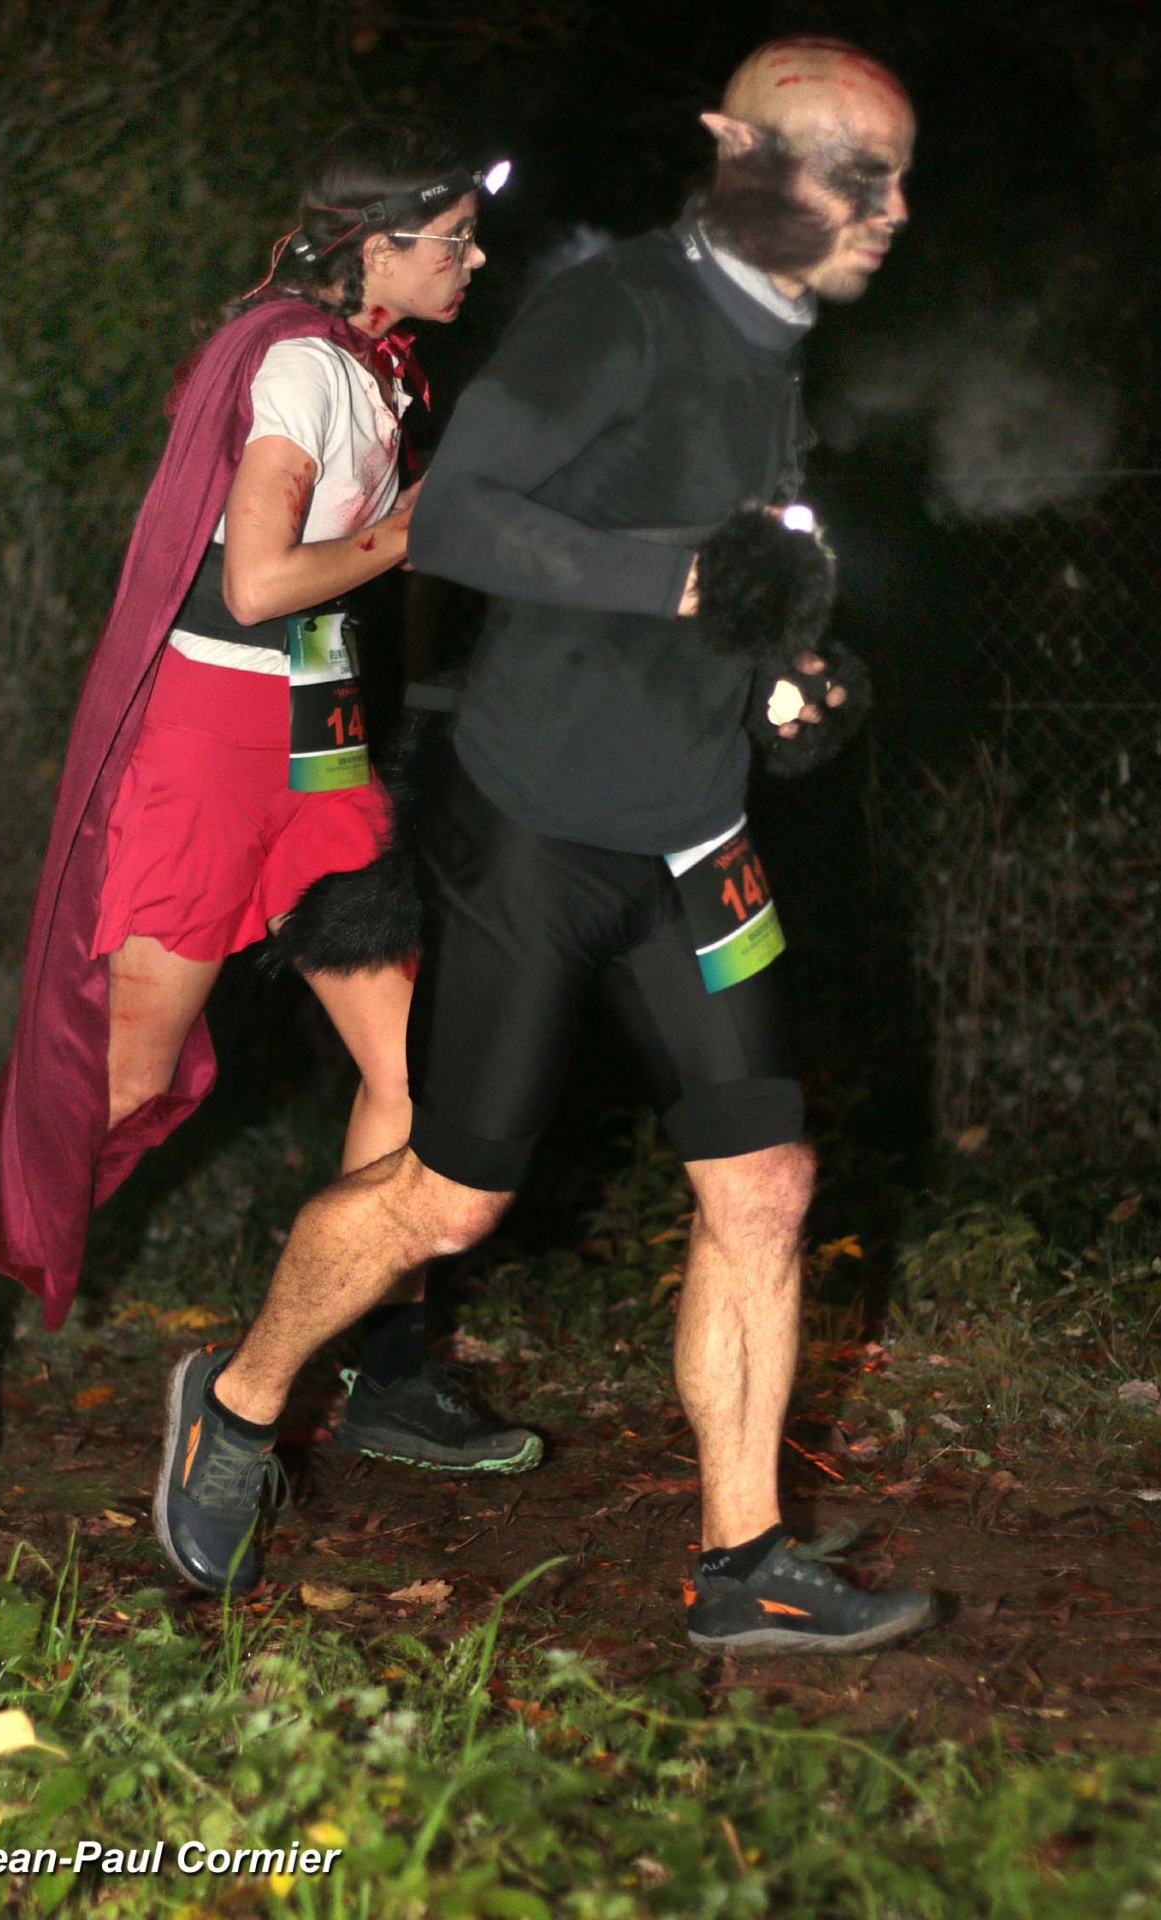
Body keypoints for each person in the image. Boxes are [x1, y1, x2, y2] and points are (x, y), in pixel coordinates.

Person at [154, 36, 935, 1652]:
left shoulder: (776, 344)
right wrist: (686, 582)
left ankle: (740, 1561)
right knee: (448, 1200)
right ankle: (237, 1399)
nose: (891, 209)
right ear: (735, 153)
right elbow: (460, 518)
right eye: (854, 174)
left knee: (764, 1182)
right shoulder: (621, 310)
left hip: (696, 839)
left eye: (899, 176)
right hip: (537, 835)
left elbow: (735, 566)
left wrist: (790, 672)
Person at [0, 119, 540, 1485]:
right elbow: (257, 583)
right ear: (375, 245)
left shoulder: (374, 368)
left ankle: (384, 1368)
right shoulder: (297, 362)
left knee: (418, 1076)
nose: (474, 260)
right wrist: (407, 531)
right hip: (211, 741)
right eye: (453, 240)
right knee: (129, 1075)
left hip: (318, 744)